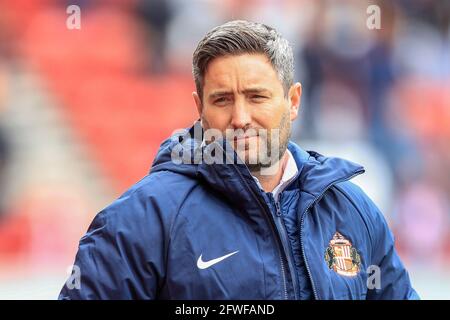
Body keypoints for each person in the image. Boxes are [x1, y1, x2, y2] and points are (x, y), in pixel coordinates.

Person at [59, 20, 419, 300]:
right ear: (200, 110)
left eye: (256, 96)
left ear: (293, 102)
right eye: (222, 100)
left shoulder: (353, 211)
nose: (241, 117)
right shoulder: (142, 219)